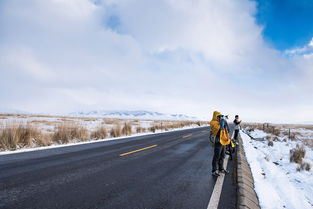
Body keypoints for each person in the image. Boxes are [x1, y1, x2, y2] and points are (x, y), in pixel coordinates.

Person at [210, 111, 230, 177]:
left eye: (220, 116)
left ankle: (221, 168)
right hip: (218, 142)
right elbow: (219, 130)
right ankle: (214, 170)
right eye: (218, 116)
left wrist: (225, 121)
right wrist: (222, 121)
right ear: (215, 116)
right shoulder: (213, 123)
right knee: (216, 157)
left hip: (223, 142)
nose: (220, 117)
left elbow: (227, 130)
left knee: (222, 156)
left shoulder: (221, 121)